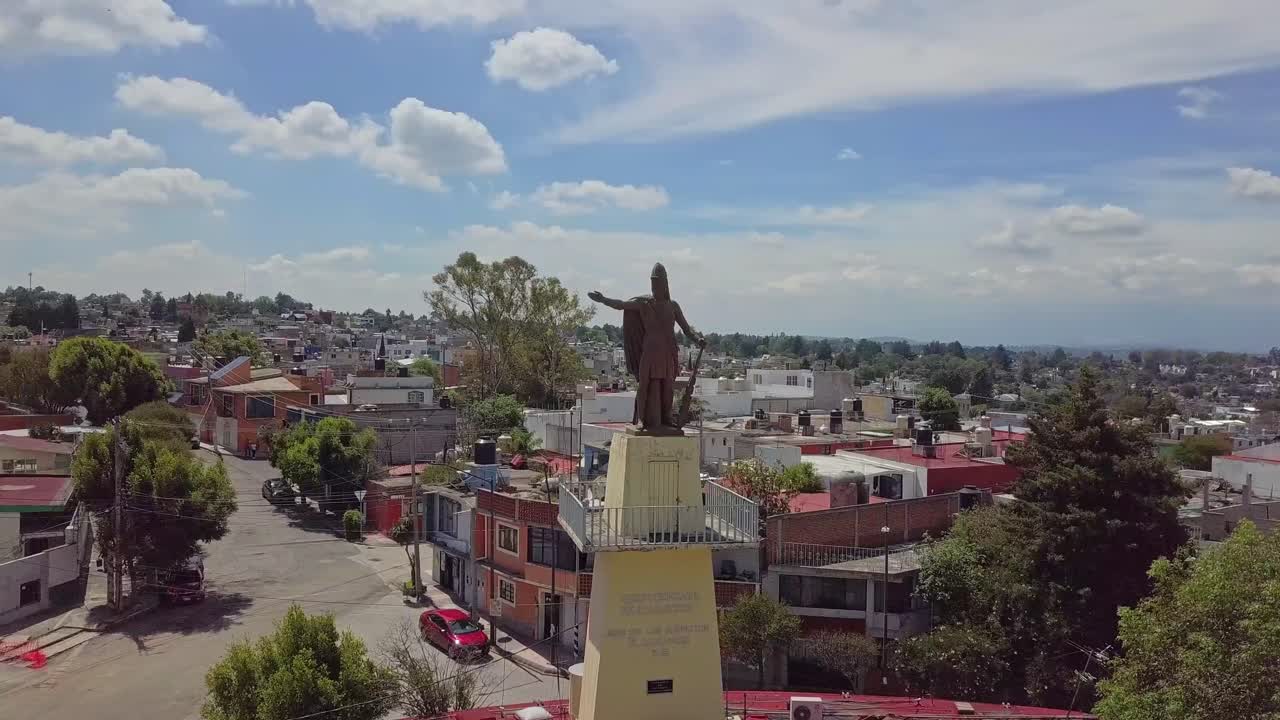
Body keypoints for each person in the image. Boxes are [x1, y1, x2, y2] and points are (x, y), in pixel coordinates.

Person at [588, 262, 705, 434]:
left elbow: (687, 329)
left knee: (667, 387)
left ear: (665, 284)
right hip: (649, 350)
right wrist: (603, 299)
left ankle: (666, 418)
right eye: (653, 284)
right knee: (644, 384)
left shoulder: (673, 306)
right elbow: (621, 305)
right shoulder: (644, 303)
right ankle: (642, 419)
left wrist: (698, 339)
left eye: (658, 283)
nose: (655, 287)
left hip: (667, 351)